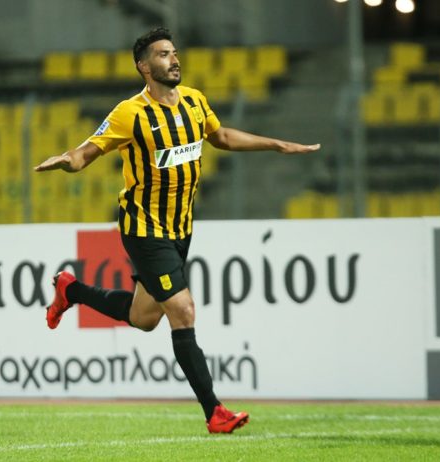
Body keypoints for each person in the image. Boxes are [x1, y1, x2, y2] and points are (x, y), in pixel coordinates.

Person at [34, 27, 320, 434]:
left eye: (174, 52)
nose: (174, 59)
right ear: (144, 66)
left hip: (180, 228)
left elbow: (221, 136)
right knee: (182, 310)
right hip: (143, 226)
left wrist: (276, 144)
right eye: (163, 54)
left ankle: (71, 290)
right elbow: (87, 151)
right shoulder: (130, 113)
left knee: (144, 317)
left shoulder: (195, 101)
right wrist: (68, 160)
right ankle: (214, 412)